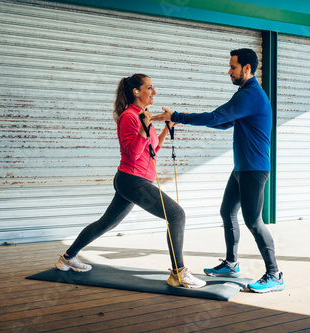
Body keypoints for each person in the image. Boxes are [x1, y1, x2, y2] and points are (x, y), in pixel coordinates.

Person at [55, 73, 206, 289]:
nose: (154, 92)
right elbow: (132, 153)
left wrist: (166, 129)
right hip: (132, 180)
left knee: (107, 223)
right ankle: (178, 273)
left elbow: (152, 149)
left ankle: (68, 258)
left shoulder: (143, 114)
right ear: (136, 92)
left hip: (134, 180)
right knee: (176, 214)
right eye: (150, 88)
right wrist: (145, 128)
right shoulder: (129, 117)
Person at [152, 49, 285, 293]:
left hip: (253, 169)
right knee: (227, 211)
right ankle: (231, 264)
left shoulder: (250, 95)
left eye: (232, 67)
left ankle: (274, 273)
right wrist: (182, 120)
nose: (229, 71)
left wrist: (179, 116)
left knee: (254, 221)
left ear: (246, 68)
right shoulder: (246, 95)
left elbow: (215, 117)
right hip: (242, 167)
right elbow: (224, 122)